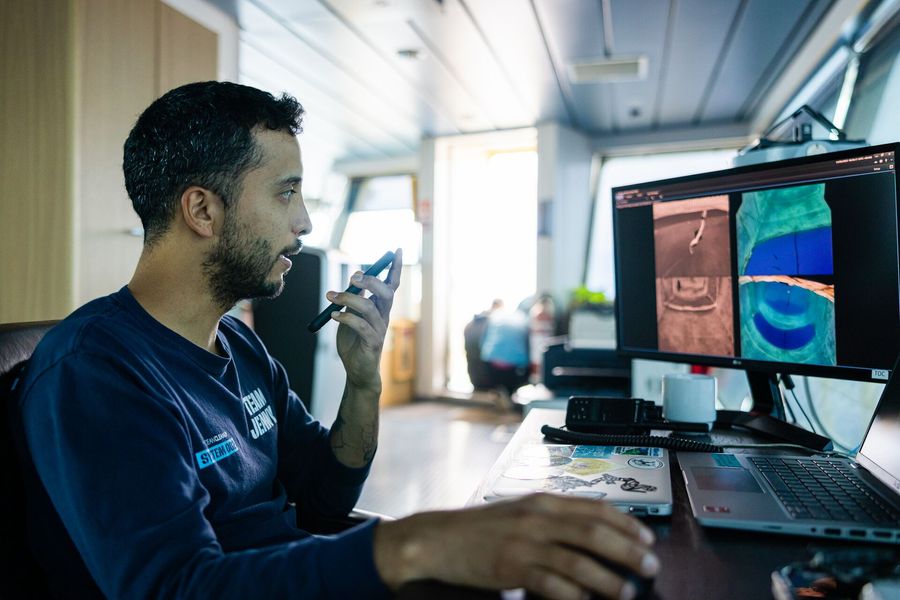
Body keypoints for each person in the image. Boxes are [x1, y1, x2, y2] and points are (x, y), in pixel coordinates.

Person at [14, 81, 659, 600]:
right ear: (202, 211)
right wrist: (411, 546)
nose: (304, 222)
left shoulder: (237, 346)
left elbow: (324, 498)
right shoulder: (95, 371)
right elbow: (175, 586)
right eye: (286, 192)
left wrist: (364, 380)